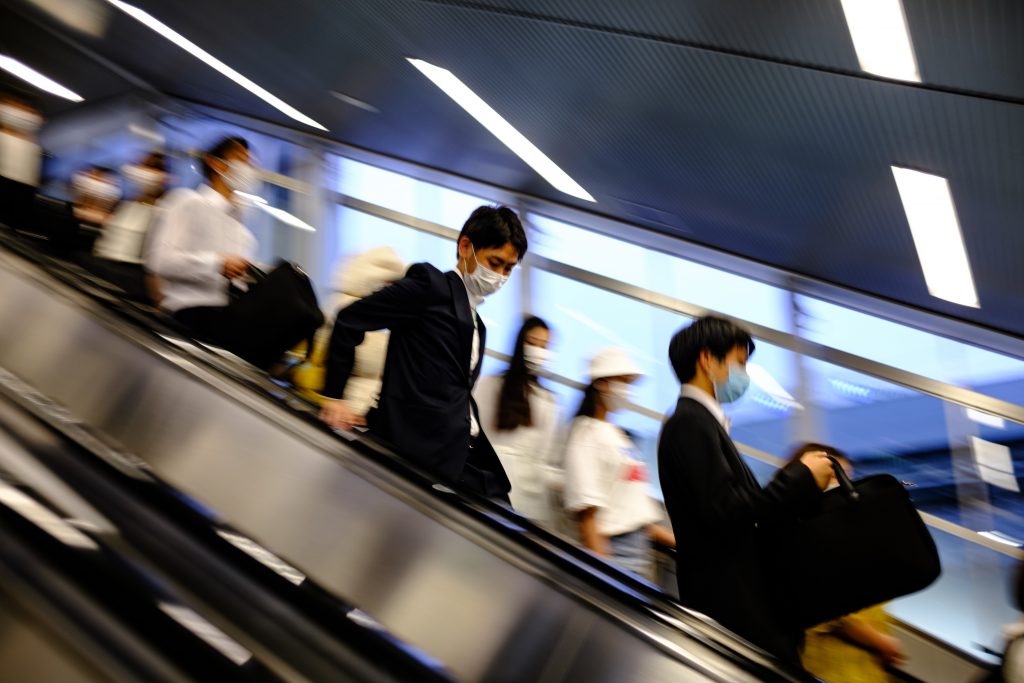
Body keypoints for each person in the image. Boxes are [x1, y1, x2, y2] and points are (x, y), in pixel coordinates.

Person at [320, 205, 527, 502]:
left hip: (458, 456)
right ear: (466, 246)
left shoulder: (478, 326)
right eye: (495, 263)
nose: (500, 277)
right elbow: (350, 319)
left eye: (508, 269)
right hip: (420, 458)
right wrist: (334, 396)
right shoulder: (430, 287)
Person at [657, 316, 833, 664]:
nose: (744, 374)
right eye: (740, 362)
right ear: (708, 360)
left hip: (737, 598)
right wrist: (800, 477)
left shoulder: (703, 423)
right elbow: (728, 511)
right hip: (732, 603)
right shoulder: (690, 424)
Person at [792, 443, 908, 681]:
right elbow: (828, 611)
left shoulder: (842, 532)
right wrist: (882, 642)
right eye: (835, 476)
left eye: (848, 478)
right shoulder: (802, 532)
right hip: (832, 669)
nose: (844, 487)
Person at [563, 347, 675, 577]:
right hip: (614, 553)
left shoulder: (617, 436)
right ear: (601, 383)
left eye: (629, 383)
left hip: (638, 551)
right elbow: (587, 515)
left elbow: (632, 510)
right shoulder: (585, 434)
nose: (627, 390)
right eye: (623, 381)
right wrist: (605, 576)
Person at [145, 136, 258, 341]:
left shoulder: (242, 232)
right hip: (185, 318)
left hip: (224, 322)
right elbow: (159, 260)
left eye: (250, 162)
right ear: (215, 163)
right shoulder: (186, 202)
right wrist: (217, 264)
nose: (248, 168)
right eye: (241, 159)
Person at [293, 246, 406, 412]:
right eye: (388, 283)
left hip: (349, 402)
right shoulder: (350, 308)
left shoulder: (347, 304)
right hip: (341, 404)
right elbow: (368, 360)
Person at [474, 316, 562, 525]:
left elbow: (547, 457)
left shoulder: (549, 401)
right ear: (520, 343)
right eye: (532, 343)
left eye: (545, 346)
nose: (538, 351)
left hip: (530, 501)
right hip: (490, 489)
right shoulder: (490, 385)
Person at [89, 151, 170, 304]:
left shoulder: (163, 212)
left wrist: (158, 302)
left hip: (129, 282)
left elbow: (158, 261)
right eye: (141, 165)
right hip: (102, 271)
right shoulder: (127, 204)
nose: (141, 170)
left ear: (164, 176)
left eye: (150, 167)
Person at [0, 88, 43, 232]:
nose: (24, 112)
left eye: (28, 109)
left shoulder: (32, 150)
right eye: (16, 105)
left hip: (19, 198)